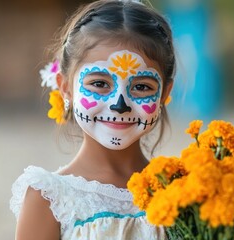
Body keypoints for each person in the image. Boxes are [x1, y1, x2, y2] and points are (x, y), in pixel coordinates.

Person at [9, 0, 175, 239]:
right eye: (99, 84)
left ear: (164, 95)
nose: (120, 105)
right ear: (66, 89)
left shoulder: (184, 191)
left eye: (141, 86)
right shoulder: (49, 199)